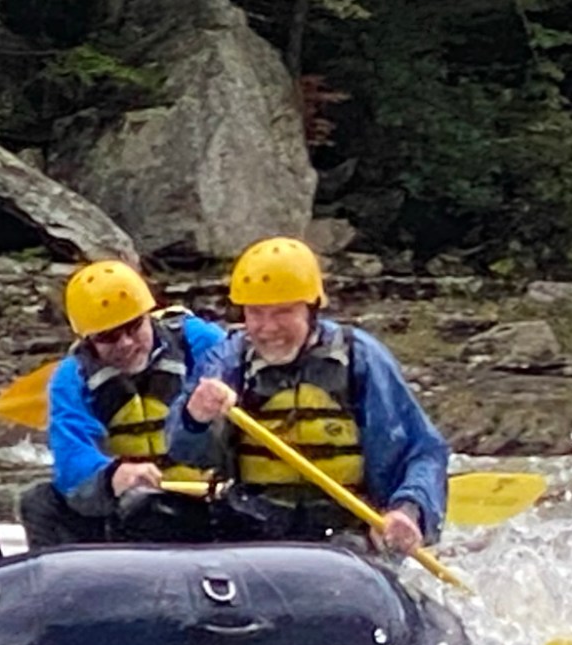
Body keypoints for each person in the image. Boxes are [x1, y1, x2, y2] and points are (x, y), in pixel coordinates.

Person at [167, 236, 447, 555]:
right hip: (253, 525)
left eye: (283, 312)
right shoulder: (228, 361)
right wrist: (195, 417)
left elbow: (423, 450)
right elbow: (185, 452)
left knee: (347, 549)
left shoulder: (361, 359)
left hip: (344, 529)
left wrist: (408, 509)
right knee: (149, 512)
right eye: (256, 313)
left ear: (312, 308)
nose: (267, 328)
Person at [18, 260, 226, 548]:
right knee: (40, 502)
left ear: (148, 315)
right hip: (131, 507)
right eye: (109, 336)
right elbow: (71, 459)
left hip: (207, 500)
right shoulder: (71, 378)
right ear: (89, 339)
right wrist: (113, 475)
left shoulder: (199, 342)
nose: (126, 344)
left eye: (133, 326)